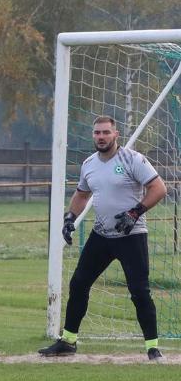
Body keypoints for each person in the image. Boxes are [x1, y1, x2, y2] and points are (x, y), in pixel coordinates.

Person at [39, 115, 167, 360]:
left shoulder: (133, 159)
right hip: (101, 235)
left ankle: (152, 347)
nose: (101, 137)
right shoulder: (89, 164)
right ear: (93, 135)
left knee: (139, 292)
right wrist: (69, 219)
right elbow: (81, 195)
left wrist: (135, 212)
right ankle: (68, 341)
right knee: (78, 284)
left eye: (106, 132)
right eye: (97, 133)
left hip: (131, 235)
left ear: (115, 134)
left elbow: (159, 188)